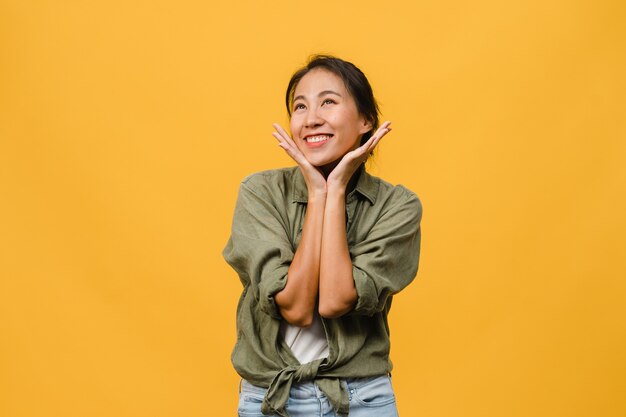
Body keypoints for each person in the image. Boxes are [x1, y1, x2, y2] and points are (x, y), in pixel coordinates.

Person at [223, 55, 422, 417]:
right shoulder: (260, 192)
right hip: (269, 397)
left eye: (328, 101)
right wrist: (318, 193)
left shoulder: (397, 206)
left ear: (366, 121)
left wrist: (338, 188)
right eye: (300, 106)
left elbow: (333, 300)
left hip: (363, 400)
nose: (311, 117)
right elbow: (296, 308)